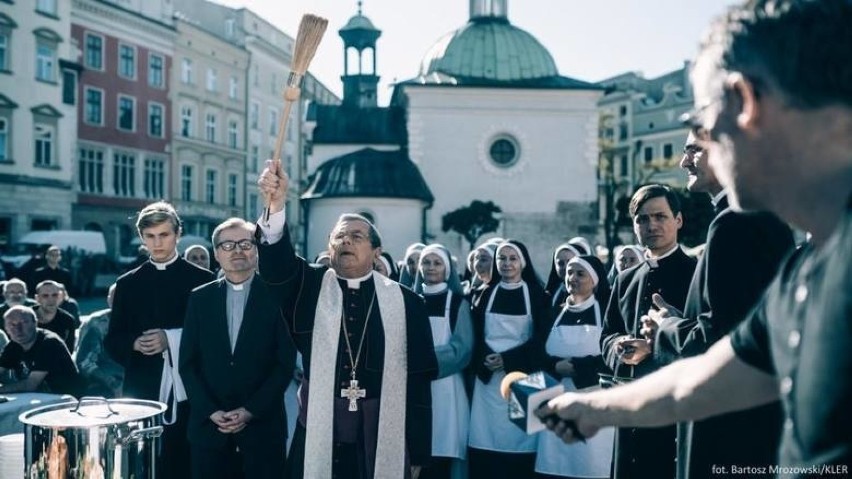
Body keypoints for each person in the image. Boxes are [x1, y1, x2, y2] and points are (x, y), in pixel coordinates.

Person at [539, 0, 852, 475]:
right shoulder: (807, 269)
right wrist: (593, 410)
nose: (701, 143)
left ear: (743, 100)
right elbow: (707, 379)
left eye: (702, 120)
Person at [256, 159, 438, 479]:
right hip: (317, 425)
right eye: (340, 236)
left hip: (382, 428)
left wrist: (419, 449)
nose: (346, 242)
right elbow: (276, 266)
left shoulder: (408, 303)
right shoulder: (309, 286)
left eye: (357, 236)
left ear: (377, 252)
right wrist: (276, 205)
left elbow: (419, 384)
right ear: (329, 246)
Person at [642, 131, 794, 478]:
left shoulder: (733, 223)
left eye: (694, 150)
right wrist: (682, 320)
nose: (683, 162)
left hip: (728, 428)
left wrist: (665, 328)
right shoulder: (755, 215)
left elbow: (721, 340)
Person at [105, 201, 214, 479]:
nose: (158, 243)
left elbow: (215, 339)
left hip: (191, 390)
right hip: (142, 387)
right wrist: (133, 343)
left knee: (186, 463)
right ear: (142, 238)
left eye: (164, 235)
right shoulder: (128, 283)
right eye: (150, 236)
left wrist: (171, 339)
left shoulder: (203, 280)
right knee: (143, 464)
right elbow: (113, 339)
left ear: (178, 234)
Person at [180, 218, 296, 479]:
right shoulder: (199, 298)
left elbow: (284, 364)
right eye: (228, 245)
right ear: (217, 254)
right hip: (209, 430)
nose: (237, 251)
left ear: (256, 251)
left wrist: (250, 411)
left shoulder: (278, 296)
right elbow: (188, 363)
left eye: (245, 243)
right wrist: (211, 411)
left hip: (263, 429)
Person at [599, 184, 697, 479]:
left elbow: (707, 338)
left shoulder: (697, 273)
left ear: (678, 220)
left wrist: (653, 348)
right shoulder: (625, 279)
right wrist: (620, 347)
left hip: (676, 410)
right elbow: (606, 336)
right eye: (642, 219)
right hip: (630, 408)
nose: (651, 225)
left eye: (660, 216)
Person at [467, 239, 551, 479]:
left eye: (512, 258)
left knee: (522, 444)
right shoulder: (483, 293)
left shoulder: (537, 295)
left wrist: (507, 359)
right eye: (501, 258)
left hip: (525, 379)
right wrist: (486, 358)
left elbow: (542, 339)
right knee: (485, 443)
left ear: (523, 263)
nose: (506, 263)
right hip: (488, 381)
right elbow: (475, 333)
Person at [536, 255, 613, 479]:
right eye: (570, 273)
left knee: (591, 464)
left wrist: (578, 367)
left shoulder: (607, 313)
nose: (573, 278)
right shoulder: (551, 313)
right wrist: (555, 366)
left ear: (595, 280)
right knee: (555, 465)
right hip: (555, 400)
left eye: (580, 273)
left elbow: (611, 355)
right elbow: (534, 353)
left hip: (593, 401)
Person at [413, 244, 474, 479]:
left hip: (447, 388)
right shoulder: (410, 299)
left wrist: (423, 362)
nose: (430, 267)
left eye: (437, 263)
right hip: (415, 385)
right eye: (426, 262)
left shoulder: (459, 303)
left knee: (443, 453)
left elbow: (463, 349)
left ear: (447, 270)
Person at [0, 305, 80, 395]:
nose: (18, 329)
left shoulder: (49, 343)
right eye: (12, 324)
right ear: (6, 328)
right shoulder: (14, 345)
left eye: (24, 323)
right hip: (38, 399)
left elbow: (31, 384)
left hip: (67, 400)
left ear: (35, 323)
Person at [76, 284, 124, 398]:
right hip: (103, 385)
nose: (119, 301)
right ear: (108, 300)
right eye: (114, 297)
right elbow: (84, 363)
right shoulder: (96, 323)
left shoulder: (142, 321)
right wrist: (113, 383)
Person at [544, 238, 591, 309]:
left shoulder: (588, 293)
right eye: (560, 263)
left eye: (570, 262)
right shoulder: (552, 290)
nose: (566, 267)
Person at [33, 280, 77, 353]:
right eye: (45, 296)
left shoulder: (68, 320)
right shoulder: (26, 317)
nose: (51, 299)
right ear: (37, 299)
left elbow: (69, 352)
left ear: (60, 297)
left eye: (54, 295)